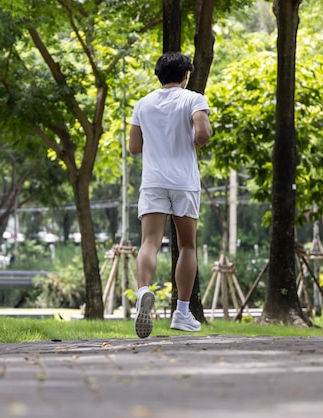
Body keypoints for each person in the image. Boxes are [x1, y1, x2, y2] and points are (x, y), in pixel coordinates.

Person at [129, 52, 212, 338]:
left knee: (149, 242)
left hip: (153, 181)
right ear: (185, 76)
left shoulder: (142, 104)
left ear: (159, 75)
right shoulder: (193, 99)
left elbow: (134, 147)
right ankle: (182, 313)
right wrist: (195, 139)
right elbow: (202, 133)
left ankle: (142, 292)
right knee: (187, 245)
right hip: (184, 182)